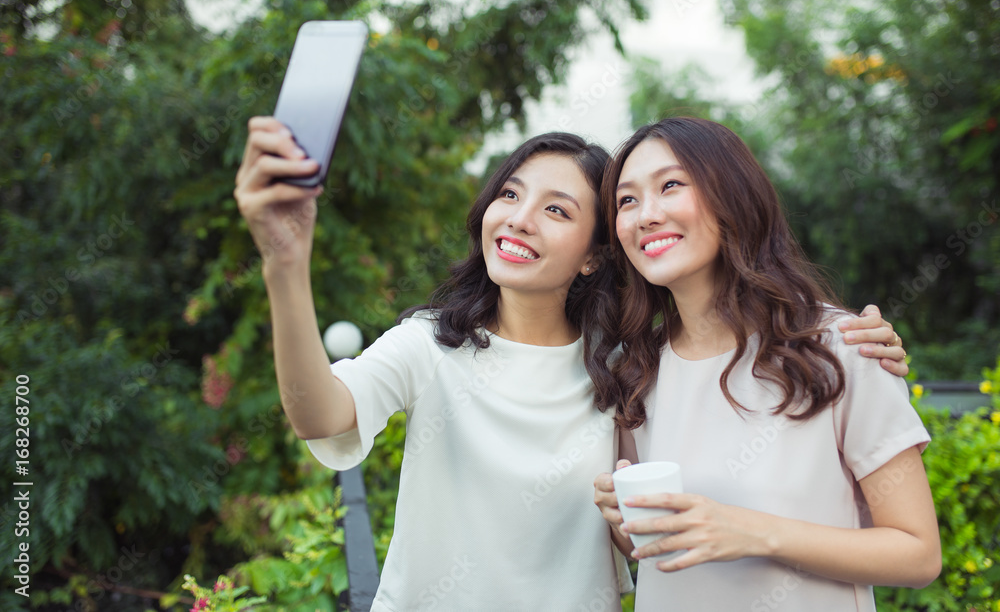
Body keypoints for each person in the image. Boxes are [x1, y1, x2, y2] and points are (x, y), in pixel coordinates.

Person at [233, 116, 907, 611]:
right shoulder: (431, 343)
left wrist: (846, 338)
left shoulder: (627, 367)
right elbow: (317, 411)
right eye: (509, 194)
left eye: (557, 209)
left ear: (593, 252)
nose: (520, 219)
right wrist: (285, 268)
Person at [592, 117, 940, 611]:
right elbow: (647, 550)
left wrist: (752, 532)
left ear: (731, 196)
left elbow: (918, 554)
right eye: (627, 200)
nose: (646, 214)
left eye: (671, 185)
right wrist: (622, 521)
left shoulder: (841, 347)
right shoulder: (634, 370)